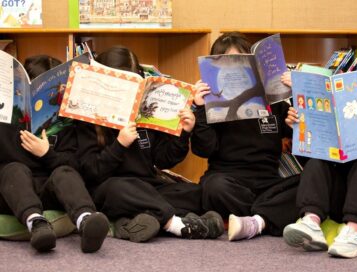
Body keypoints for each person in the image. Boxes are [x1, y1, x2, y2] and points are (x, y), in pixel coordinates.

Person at [76, 46, 224, 243]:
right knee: (118, 188)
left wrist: (183, 132)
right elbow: (90, 171)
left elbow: (164, 159)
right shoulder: (87, 120)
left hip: (147, 186)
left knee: (196, 193)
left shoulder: (146, 111)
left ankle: (131, 223)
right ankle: (176, 225)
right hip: (109, 188)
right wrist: (119, 144)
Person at [191, 32, 300, 241]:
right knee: (213, 188)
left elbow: (302, 137)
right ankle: (267, 216)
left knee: (308, 185)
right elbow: (203, 149)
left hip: (268, 183)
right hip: (229, 182)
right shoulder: (212, 104)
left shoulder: (273, 102)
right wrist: (201, 109)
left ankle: (252, 219)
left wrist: (297, 95)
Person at [0, 55, 109, 253]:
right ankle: (37, 224)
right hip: (14, 193)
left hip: (51, 190)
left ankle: (85, 220)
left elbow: (76, 165)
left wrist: (47, 153)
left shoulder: (65, 123)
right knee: (13, 170)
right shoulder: (6, 120)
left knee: (65, 172)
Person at [283, 104, 357, 258]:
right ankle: (311, 221)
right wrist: (298, 129)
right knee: (316, 162)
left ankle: (355, 231)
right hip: (339, 199)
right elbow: (307, 161)